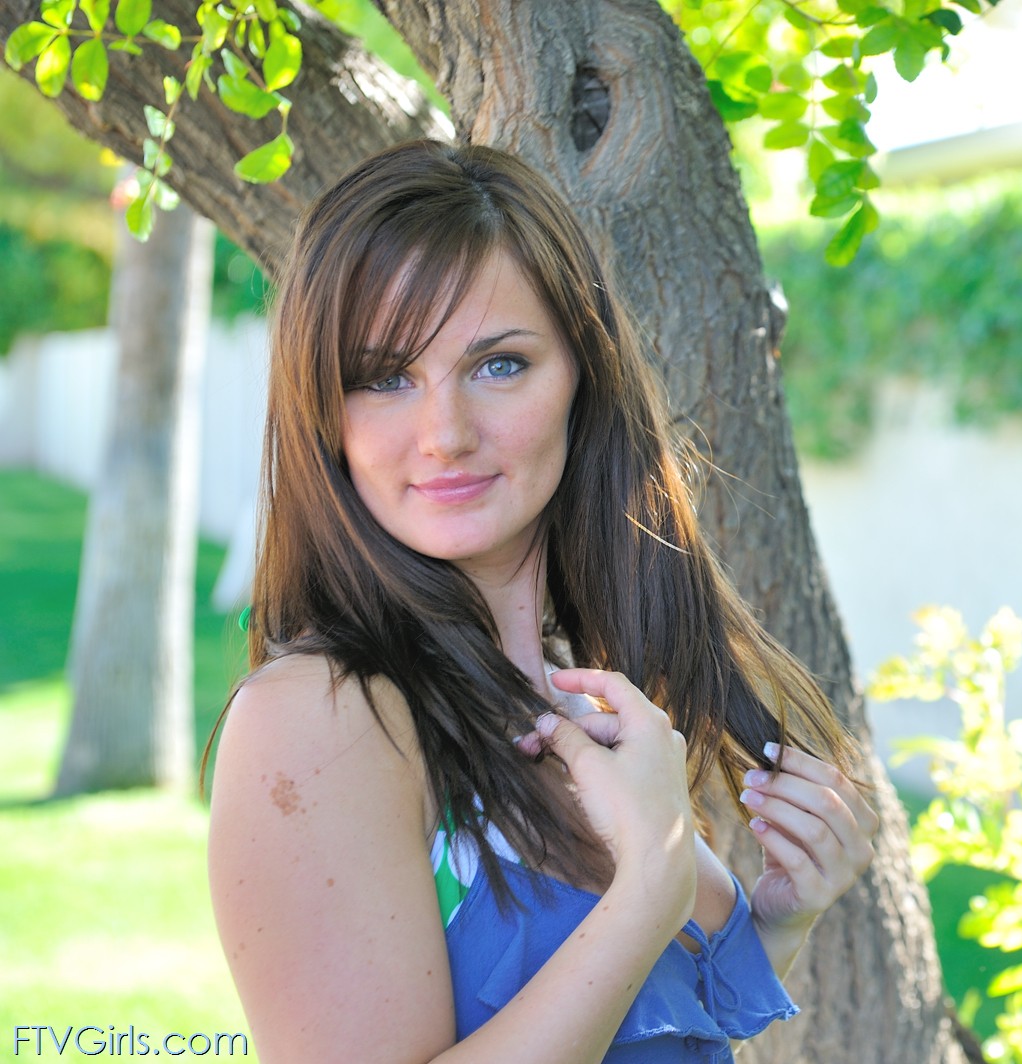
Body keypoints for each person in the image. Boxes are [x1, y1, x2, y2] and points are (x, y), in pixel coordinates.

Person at [205, 138, 879, 1063]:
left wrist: (779, 921)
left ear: (582, 377)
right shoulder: (320, 719)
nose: (444, 433)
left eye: (499, 365)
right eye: (385, 378)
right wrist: (649, 889)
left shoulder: (571, 684)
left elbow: (651, 1028)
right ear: (326, 412)